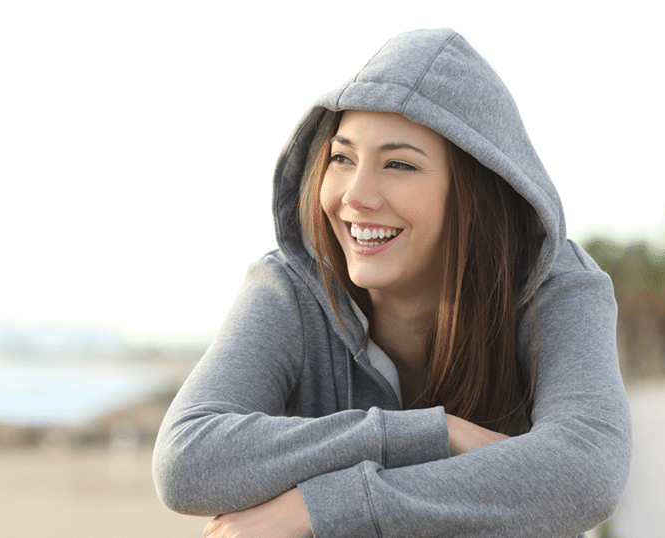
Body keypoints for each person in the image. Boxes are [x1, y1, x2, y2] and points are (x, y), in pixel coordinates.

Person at [152, 28, 632, 538]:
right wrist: (431, 433)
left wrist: (321, 508)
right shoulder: (290, 288)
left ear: (475, 190)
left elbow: (587, 470)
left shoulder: (556, 288)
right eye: (342, 158)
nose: (356, 197)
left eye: (399, 164)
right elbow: (187, 459)